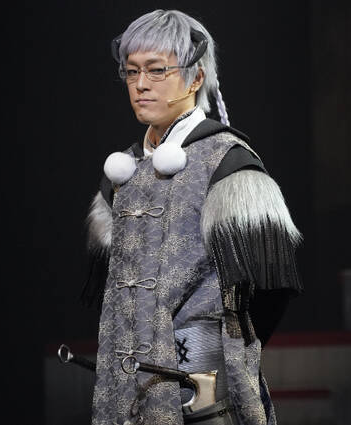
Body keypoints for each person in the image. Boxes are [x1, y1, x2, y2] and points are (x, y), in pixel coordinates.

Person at [81, 9, 303, 425]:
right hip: (125, 392)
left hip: (205, 394)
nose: (141, 84)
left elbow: (270, 291)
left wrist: (216, 356)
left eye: (156, 70)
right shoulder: (122, 173)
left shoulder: (227, 163)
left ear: (196, 78)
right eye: (132, 71)